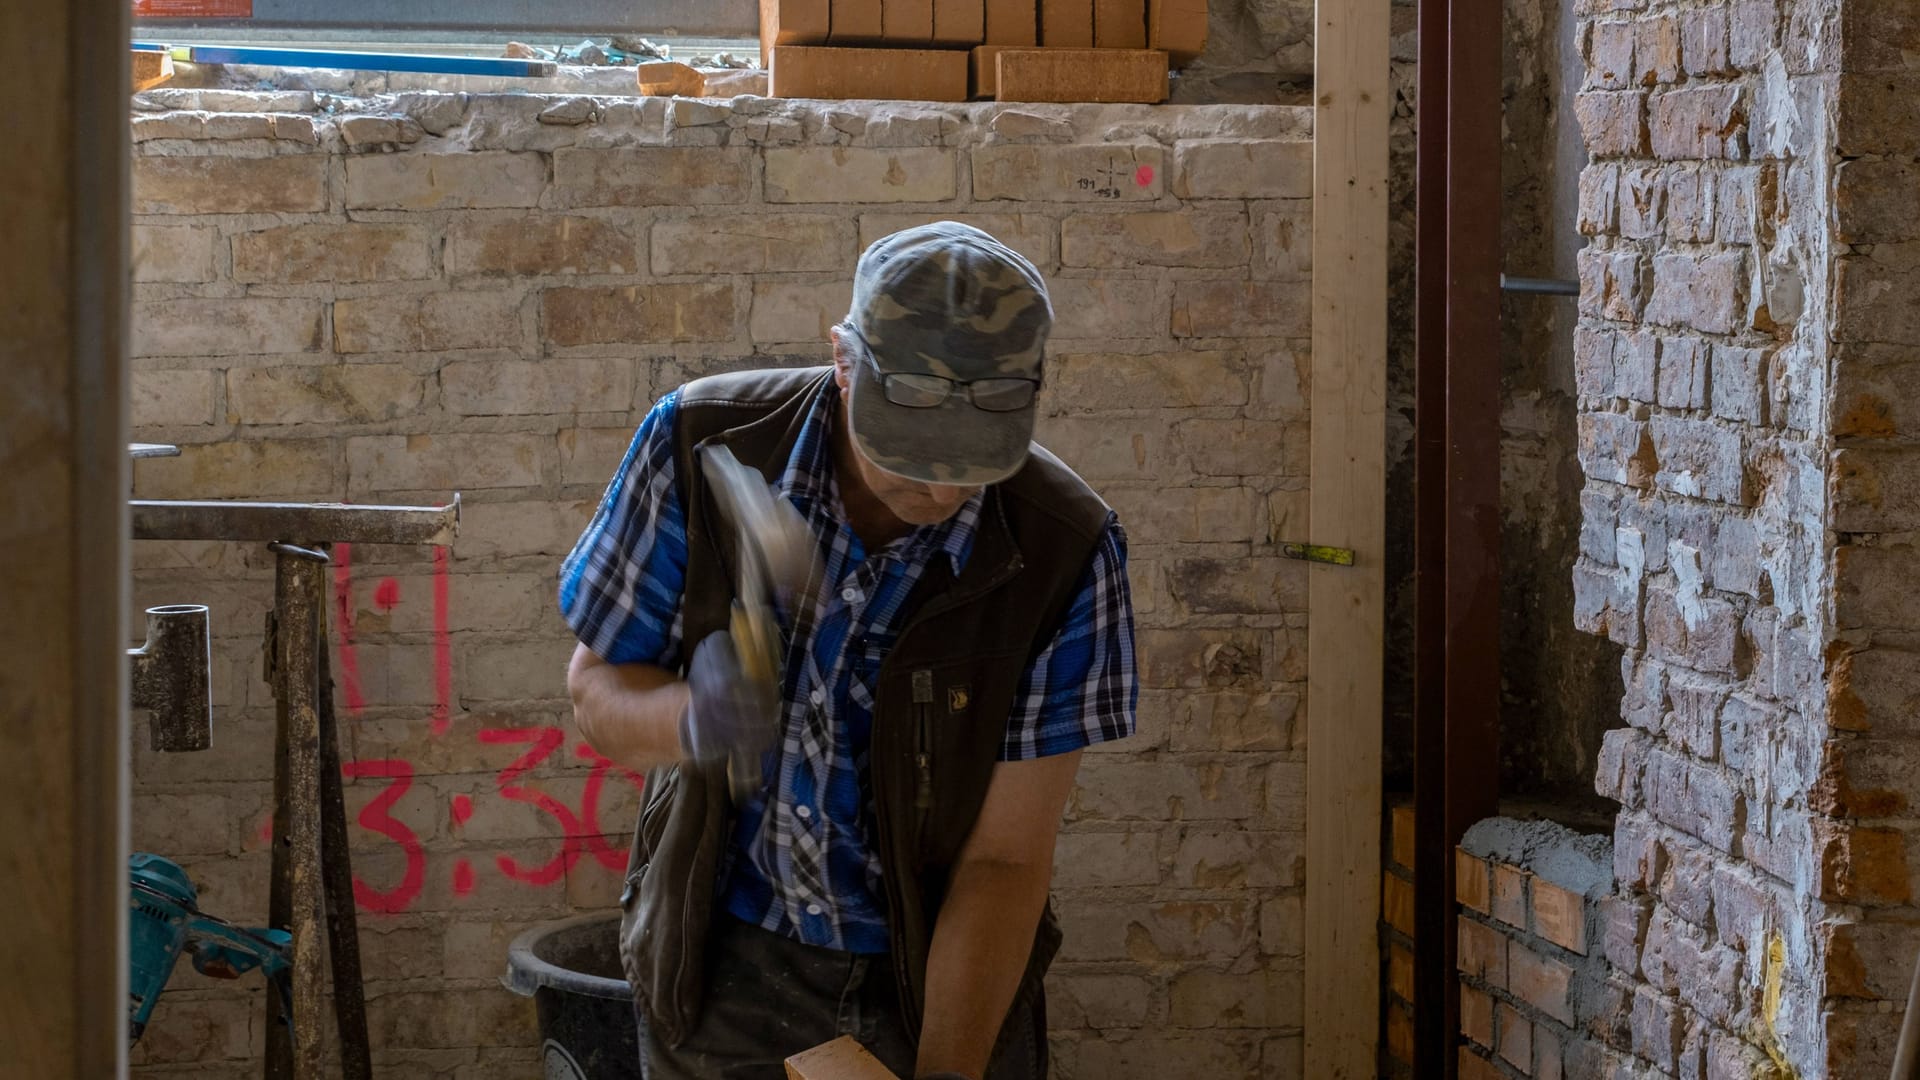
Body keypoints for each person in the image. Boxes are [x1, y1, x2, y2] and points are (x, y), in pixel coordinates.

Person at [558, 221, 1138, 1080]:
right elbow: (596, 692)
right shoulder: (696, 445)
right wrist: (693, 717)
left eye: (973, 463)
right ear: (843, 360)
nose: (942, 491)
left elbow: (1005, 861)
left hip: (942, 971)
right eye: (911, 456)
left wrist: (946, 1069)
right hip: (723, 962)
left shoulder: (1063, 550)